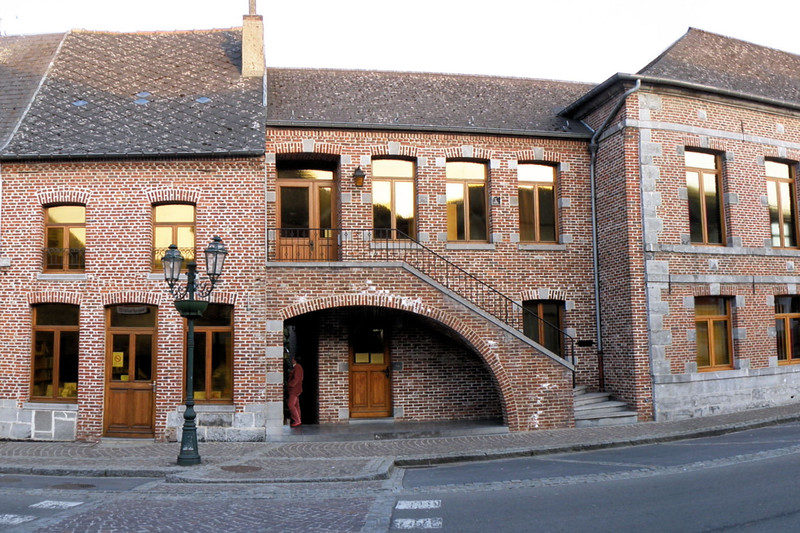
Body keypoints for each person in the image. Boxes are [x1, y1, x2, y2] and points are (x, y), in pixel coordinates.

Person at [287, 357, 304, 427]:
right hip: (295, 389)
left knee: (290, 405)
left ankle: (297, 420)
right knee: (296, 405)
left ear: (295, 360)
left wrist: (290, 384)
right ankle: (298, 419)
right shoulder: (296, 367)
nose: (291, 360)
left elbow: (296, 379)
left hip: (294, 389)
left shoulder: (298, 367)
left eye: (293, 359)